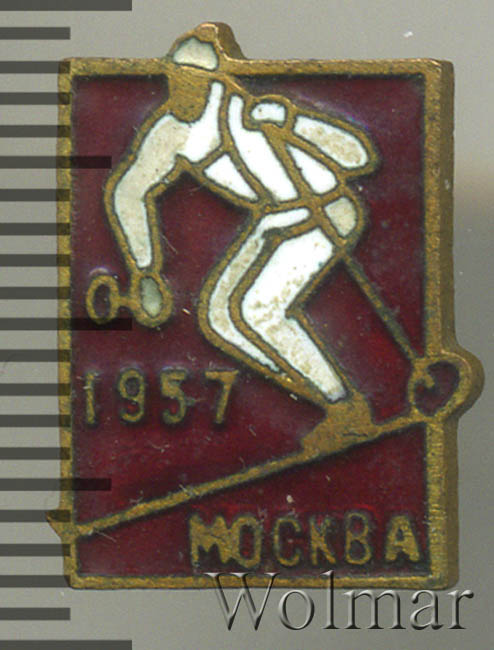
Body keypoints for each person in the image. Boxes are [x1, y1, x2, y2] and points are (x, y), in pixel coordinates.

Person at [99, 23, 378, 408]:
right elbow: (128, 191)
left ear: (213, 82)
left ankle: (345, 405)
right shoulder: (171, 131)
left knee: (260, 312)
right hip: (278, 220)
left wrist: (292, 122)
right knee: (220, 319)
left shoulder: (249, 113)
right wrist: (145, 269)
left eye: (192, 82)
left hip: (326, 211)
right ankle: (319, 395)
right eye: (175, 80)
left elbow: (358, 156)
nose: (182, 91)